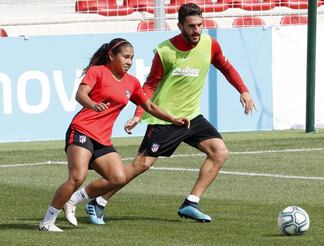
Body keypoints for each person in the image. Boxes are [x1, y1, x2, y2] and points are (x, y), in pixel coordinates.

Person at [65, 3, 256, 225]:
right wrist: (138, 114)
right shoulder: (165, 51)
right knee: (142, 165)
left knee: (219, 152)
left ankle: (191, 203)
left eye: (200, 25)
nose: (196, 30)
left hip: (191, 116)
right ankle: (99, 201)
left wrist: (243, 91)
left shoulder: (210, 44)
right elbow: (148, 86)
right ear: (180, 26)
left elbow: (226, 67)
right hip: (164, 118)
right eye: (191, 26)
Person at [38, 38, 190, 232]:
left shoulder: (132, 82)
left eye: (132, 58)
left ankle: (73, 200)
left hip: (102, 138)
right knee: (77, 177)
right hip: (82, 130)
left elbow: (149, 106)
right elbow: (80, 94)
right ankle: (47, 222)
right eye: (125, 57)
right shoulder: (97, 72)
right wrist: (92, 105)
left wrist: (173, 119)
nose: (129, 61)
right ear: (111, 55)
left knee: (118, 177)